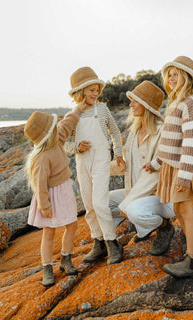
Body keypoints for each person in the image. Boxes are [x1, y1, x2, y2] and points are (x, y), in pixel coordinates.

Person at [144, 56, 193, 278]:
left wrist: (184, 175)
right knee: (179, 210)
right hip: (173, 165)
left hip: (184, 167)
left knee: (186, 212)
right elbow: (170, 141)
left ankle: (192, 262)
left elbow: (191, 141)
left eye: (176, 74)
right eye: (168, 74)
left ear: (187, 78)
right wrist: (156, 163)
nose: (171, 78)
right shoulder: (174, 102)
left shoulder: (190, 103)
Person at [65, 66, 125, 265]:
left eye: (97, 89)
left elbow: (115, 133)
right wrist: (76, 146)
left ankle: (112, 242)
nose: (95, 93)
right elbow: (63, 142)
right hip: (83, 163)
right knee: (90, 206)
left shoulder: (102, 109)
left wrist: (118, 154)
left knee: (100, 203)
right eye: (91, 90)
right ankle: (98, 243)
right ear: (79, 92)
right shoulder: (72, 115)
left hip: (101, 160)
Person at [109, 80, 175, 256]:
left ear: (146, 105)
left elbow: (154, 176)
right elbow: (125, 165)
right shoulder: (134, 132)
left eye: (134, 100)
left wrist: (128, 202)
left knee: (133, 209)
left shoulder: (162, 132)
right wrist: (98, 171)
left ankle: (164, 227)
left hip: (160, 196)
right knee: (101, 202)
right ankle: (115, 241)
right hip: (136, 192)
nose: (130, 104)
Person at [24, 105, 86, 287]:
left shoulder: (57, 140)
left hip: (64, 190)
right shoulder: (42, 157)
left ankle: (66, 259)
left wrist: (77, 110)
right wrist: (44, 206)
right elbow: (39, 185)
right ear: (47, 134)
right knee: (49, 232)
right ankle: (47, 268)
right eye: (54, 127)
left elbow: (67, 124)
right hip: (49, 196)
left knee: (72, 224)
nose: (57, 128)